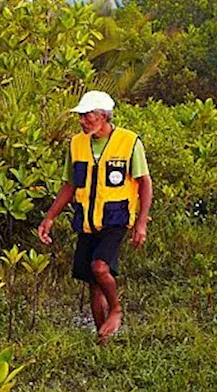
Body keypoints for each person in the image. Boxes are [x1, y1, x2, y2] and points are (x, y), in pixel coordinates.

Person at [37, 91, 153, 344]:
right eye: (81, 116)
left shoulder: (129, 142)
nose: (83, 121)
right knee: (92, 281)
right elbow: (69, 185)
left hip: (116, 218)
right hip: (86, 220)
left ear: (103, 116)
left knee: (99, 267)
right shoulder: (76, 144)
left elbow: (145, 182)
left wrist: (141, 223)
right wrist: (50, 217)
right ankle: (103, 339)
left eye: (87, 115)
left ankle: (117, 309)